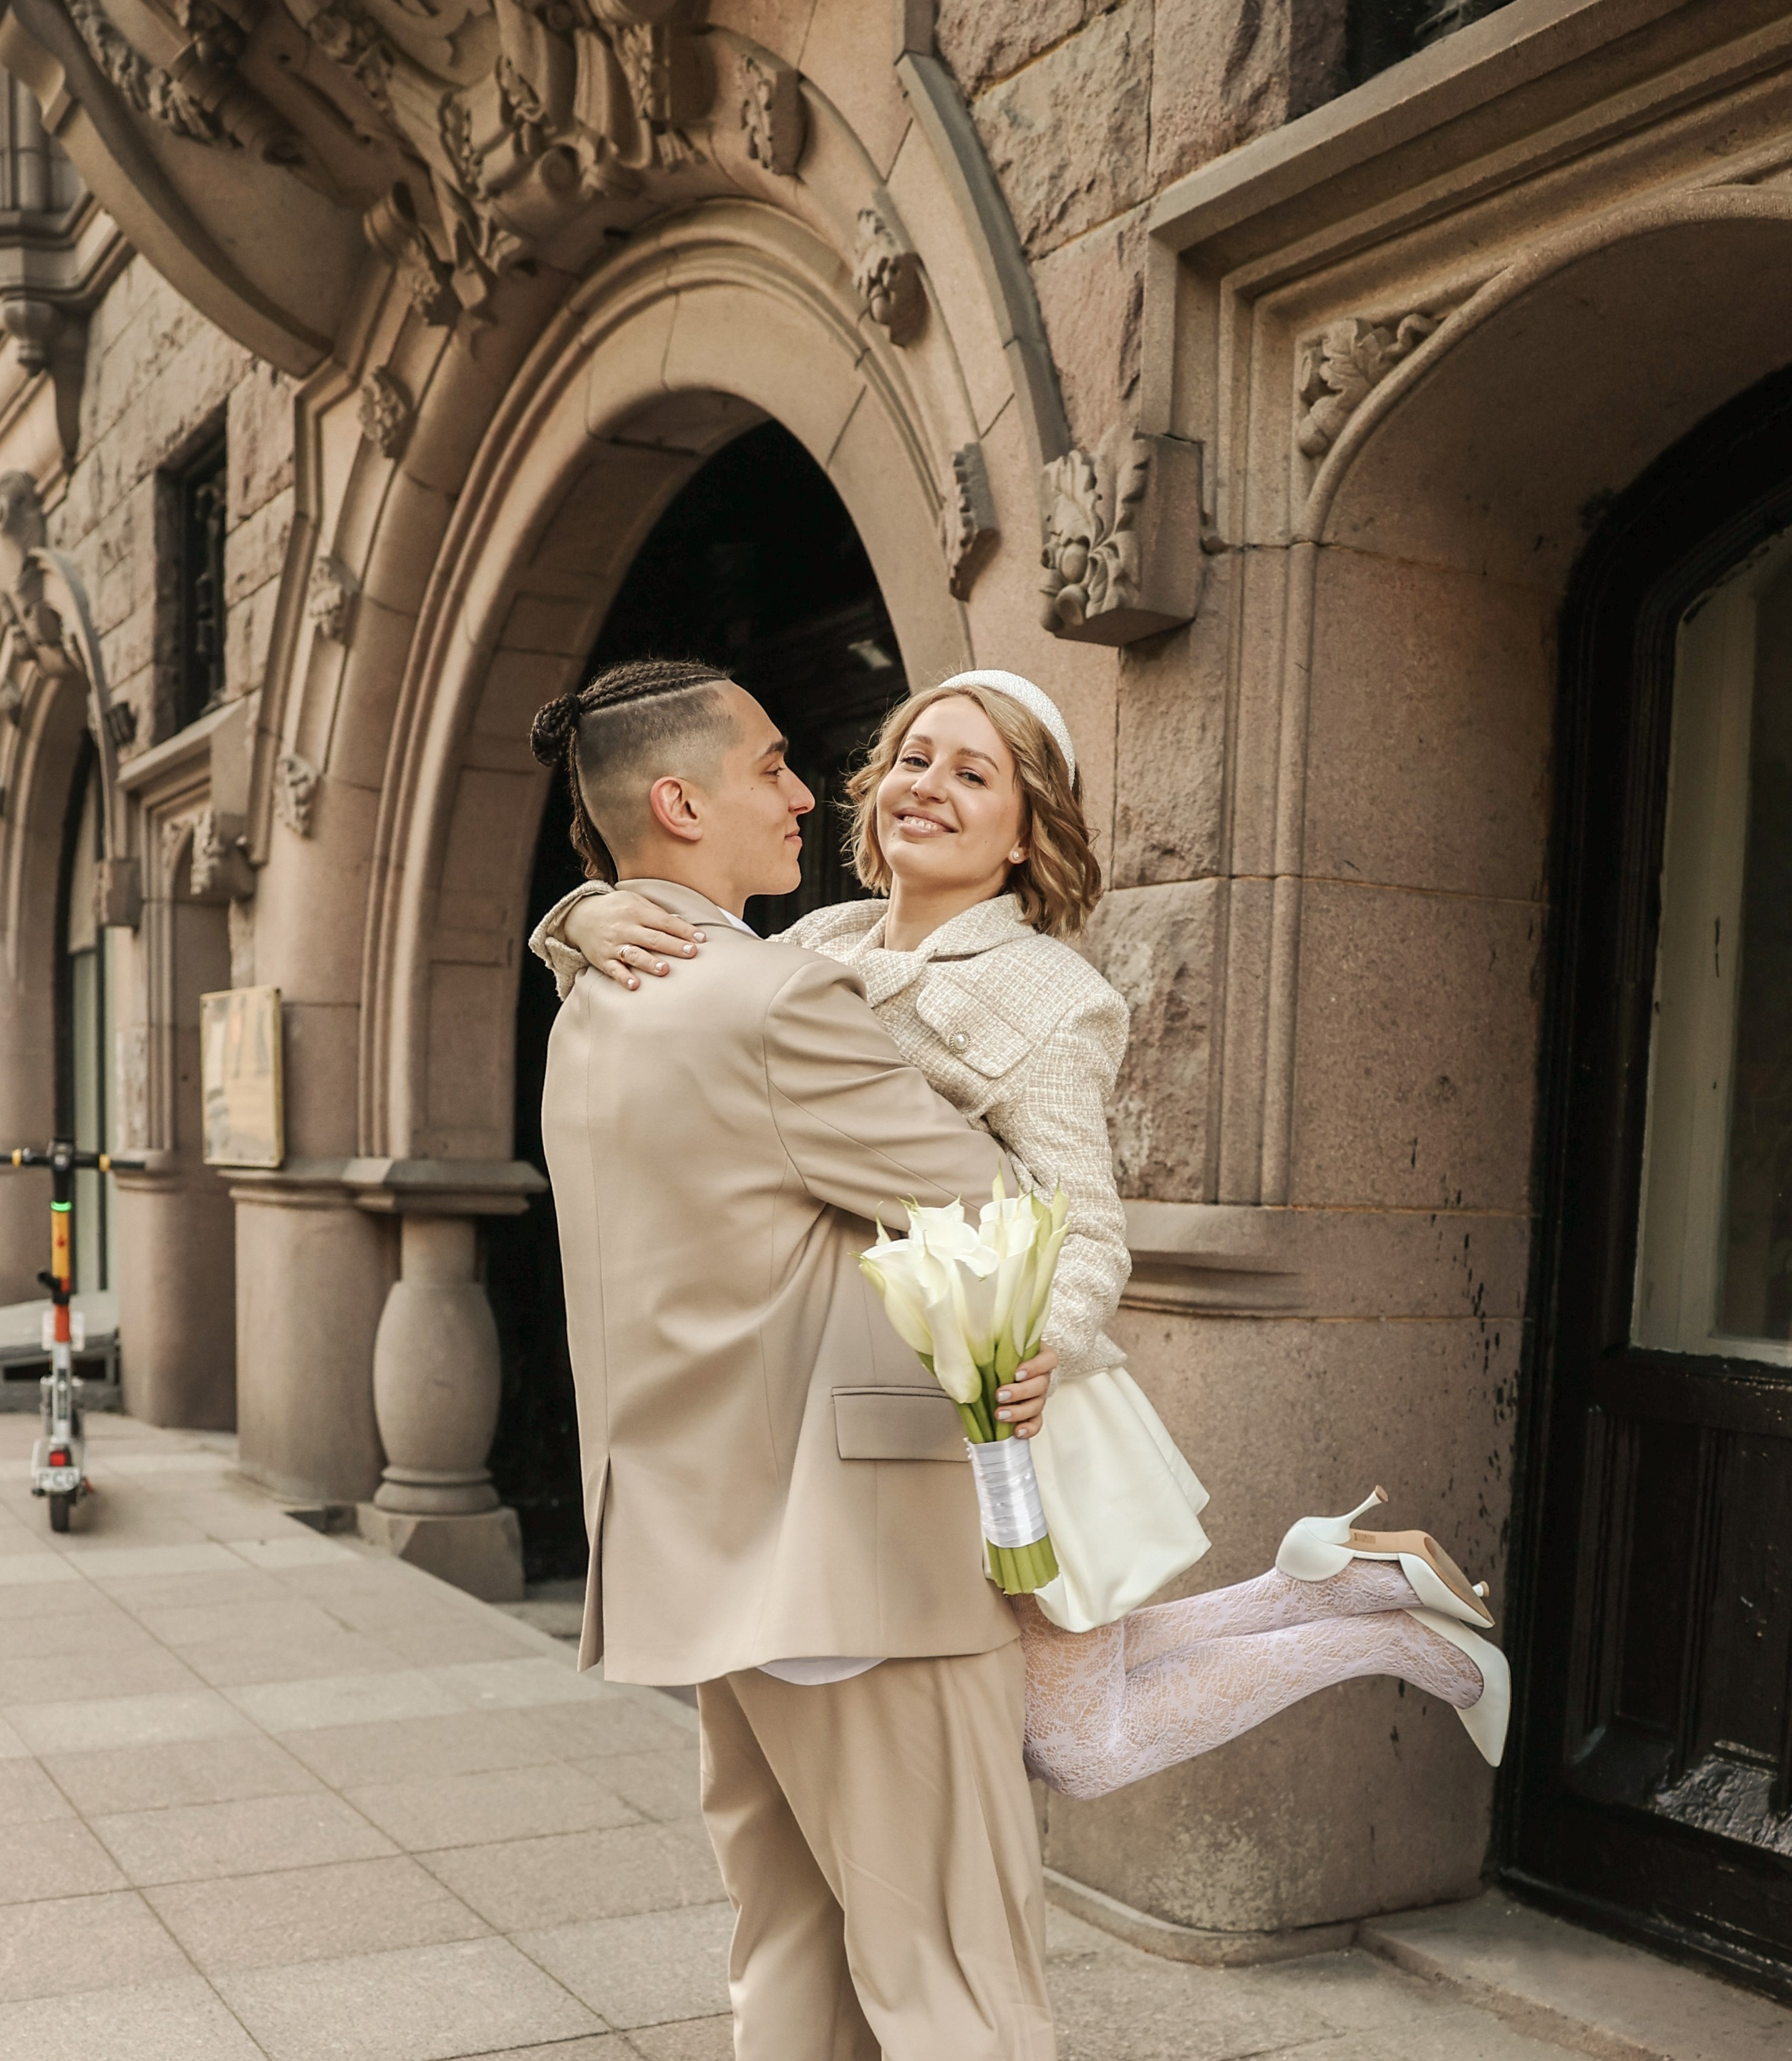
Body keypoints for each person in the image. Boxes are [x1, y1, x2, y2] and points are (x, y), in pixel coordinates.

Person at [537, 666, 1511, 1795]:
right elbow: (678, 960)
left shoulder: (1050, 994)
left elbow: (1083, 1227)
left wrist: (1030, 1346)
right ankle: (1339, 1580)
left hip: (1015, 1402)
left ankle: (1401, 1640)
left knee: (1077, 1745)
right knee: (1053, 1714)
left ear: (1023, 831)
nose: (929, 787)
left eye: (974, 772)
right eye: (912, 759)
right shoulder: (815, 946)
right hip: (897, 1411)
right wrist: (584, 911)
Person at [528, 656, 1062, 2061]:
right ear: (677, 803)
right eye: (771, 765)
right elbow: (988, 1210)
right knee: (951, 1952)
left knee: (788, 1929)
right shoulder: (768, 999)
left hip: (699, 1552)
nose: (806, 791)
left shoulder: (601, 993)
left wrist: (571, 919)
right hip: (852, 1551)